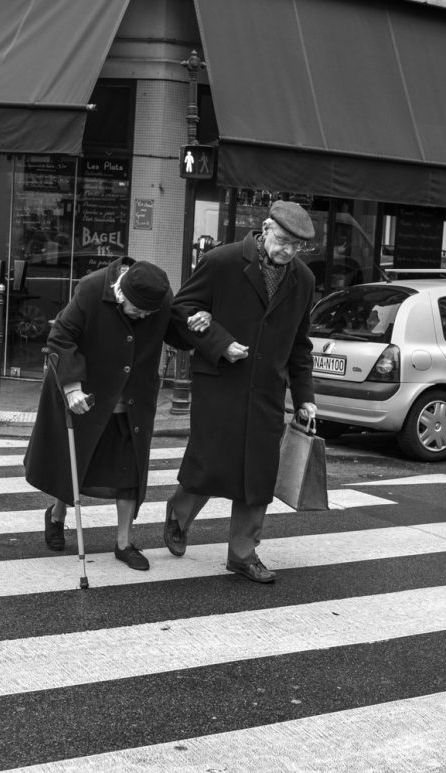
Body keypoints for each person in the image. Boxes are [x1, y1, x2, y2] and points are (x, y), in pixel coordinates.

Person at [163, 200, 319, 583]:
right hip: (221, 381)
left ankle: (243, 554)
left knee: (258, 475)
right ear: (265, 228)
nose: (287, 250)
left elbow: (300, 344)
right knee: (210, 464)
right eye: (282, 240)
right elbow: (181, 311)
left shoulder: (303, 279)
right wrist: (220, 341)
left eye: (296, 246)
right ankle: (178, 516)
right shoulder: (223, 261)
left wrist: (305, 398)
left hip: (267, 388)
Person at [23, 258, 208, 570]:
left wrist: (196, 321)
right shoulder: (92, 289)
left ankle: (124, 543)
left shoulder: (159, 298)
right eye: (138, 310)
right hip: (87, 395)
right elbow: (61, 337)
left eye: (149, 313)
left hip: (132, 400)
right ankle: (57, 515)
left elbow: (176, 333)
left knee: (129, 472)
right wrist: (71, 387)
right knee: (75, 463)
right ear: (121, 293)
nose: (144, 316)